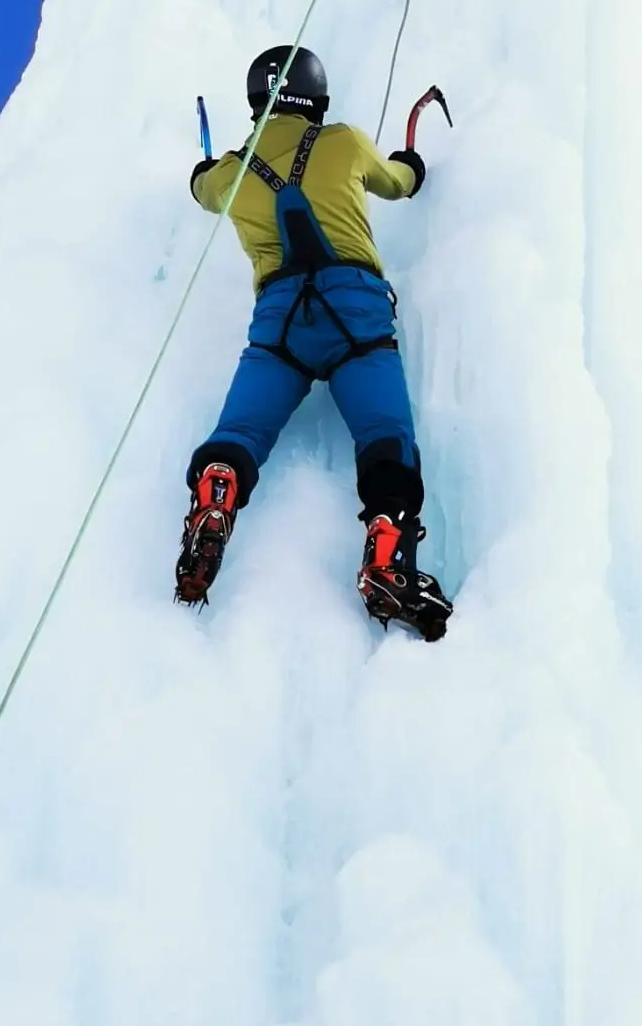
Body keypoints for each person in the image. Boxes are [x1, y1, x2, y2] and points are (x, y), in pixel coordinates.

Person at [177, 45, 452, 641]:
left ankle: (217, 491)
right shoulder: (344, 142)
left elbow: (202, 188)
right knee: (386, 437)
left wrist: (204, 173)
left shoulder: (232, 171)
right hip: (357, 314)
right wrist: (412, 163)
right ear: (317, 96)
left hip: (280, 320)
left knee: (242, 430)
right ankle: (385, 549)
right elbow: (400, 182)